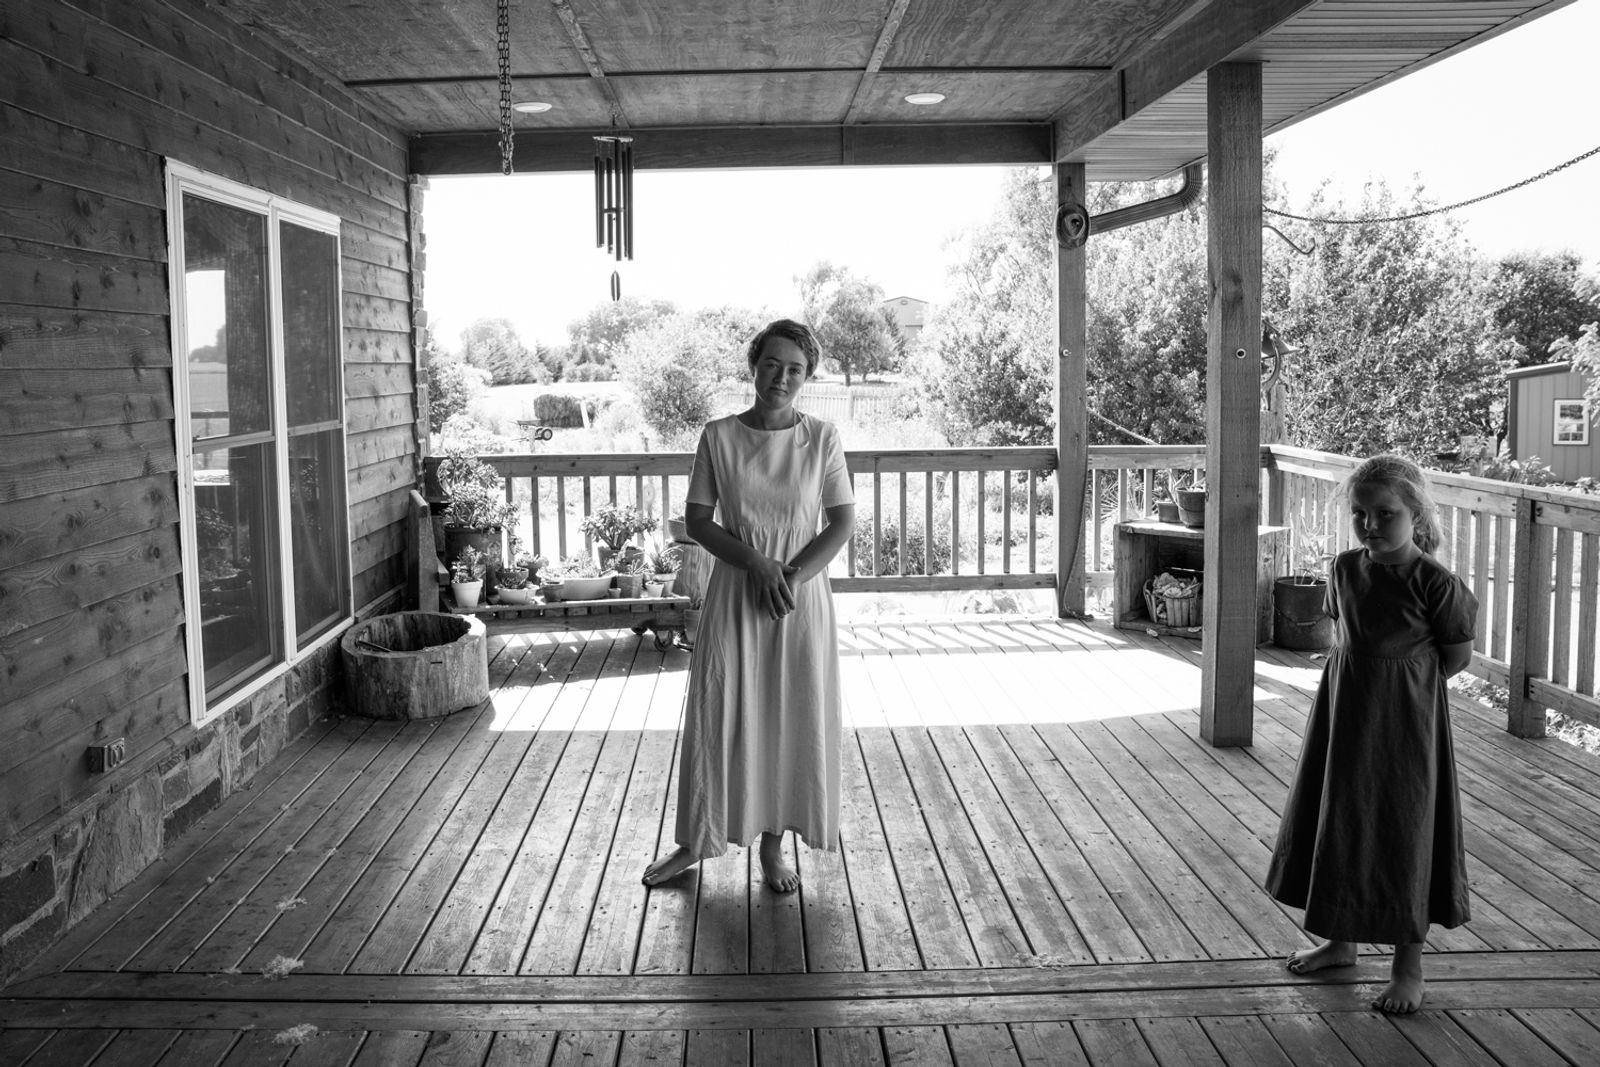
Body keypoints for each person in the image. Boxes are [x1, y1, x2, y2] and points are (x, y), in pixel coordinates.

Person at [642, 319, 855, 893]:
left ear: (807, 377)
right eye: (771, 364)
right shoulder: (718, 437)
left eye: (795, 370)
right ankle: (696, 842)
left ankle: (773, 847)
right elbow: (697, 522)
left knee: (791, 716)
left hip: (799, 600)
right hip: (737, 593)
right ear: (753, 365)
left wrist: (789, 575)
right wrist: (756, 565)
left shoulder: (823, 439)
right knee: (720, 716)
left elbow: (841, 523)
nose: (781, 378)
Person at [1265, 453, 1478, 1014]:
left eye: (1386, 514)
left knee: (1407, 823)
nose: (1371, 525)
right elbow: (1346, 631)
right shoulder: (1343, 569)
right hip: (1346, 715)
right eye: (1361, 514)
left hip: (1408, 723)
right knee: (1343, 814)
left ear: (1416, 514)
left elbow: (1454, 658)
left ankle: (1409, 965)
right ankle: (1341, 940)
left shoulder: (1435, 583)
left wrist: (1399, 684)